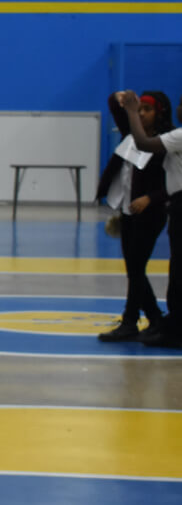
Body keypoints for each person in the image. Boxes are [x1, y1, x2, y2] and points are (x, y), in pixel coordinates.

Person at [95, 90, 172, 342]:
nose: (141, 115)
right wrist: (118, 98)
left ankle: (131, 320)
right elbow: (116, 108)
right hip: (127, 210)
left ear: (159, 112)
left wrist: (151, 197)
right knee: (133, 268)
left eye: (147, 110)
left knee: (136, 267)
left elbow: (174, 182)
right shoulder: (132, 134)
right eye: (139, 110)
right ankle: (154, 318)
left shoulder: (167, 141)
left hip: (150, 213)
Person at [121, 89, 182, 348]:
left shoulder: (178, 136)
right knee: (176, 268)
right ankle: (171, 323)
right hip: (175, 204)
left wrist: (133, 112)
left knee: (178, 270)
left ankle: (174, 330)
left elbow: (145, 143)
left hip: (177, 203)